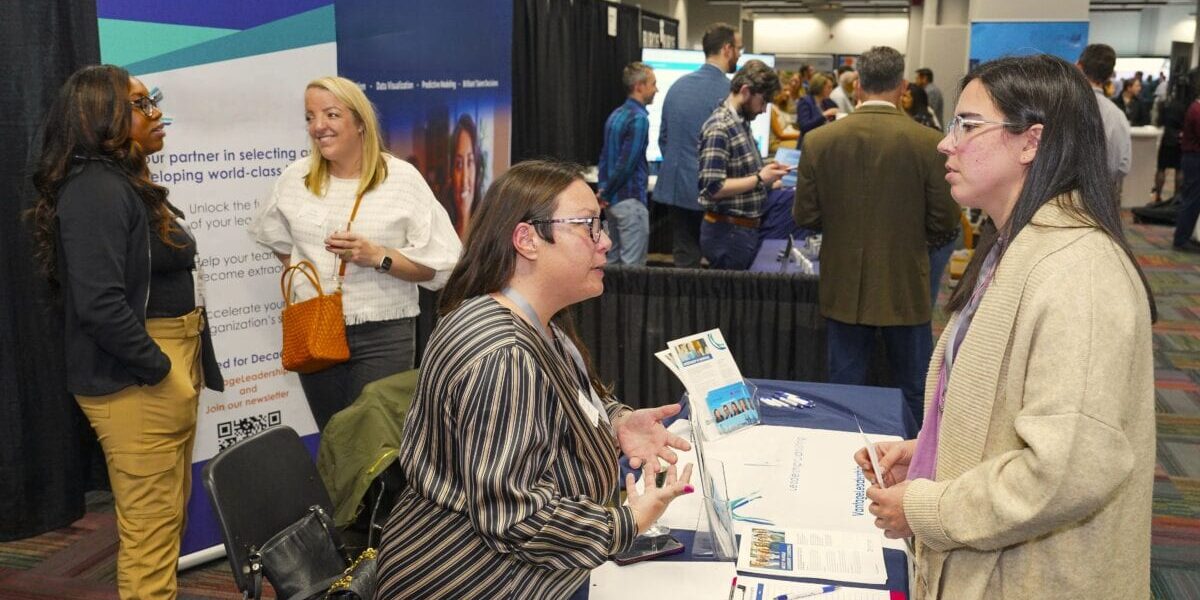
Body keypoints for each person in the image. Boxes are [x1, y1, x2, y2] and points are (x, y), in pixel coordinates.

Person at [855, 54, 1156, 599]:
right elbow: (1014, 410)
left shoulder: (1078, 272)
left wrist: (927, 508)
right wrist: (929, 449)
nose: (946, 143)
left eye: (968, 125)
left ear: (1030, 142)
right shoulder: (1018, 245)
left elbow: (1067, 471)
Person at [375, 160, 695, 599]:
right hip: (468, 579)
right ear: (526, 239)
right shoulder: (504, 356)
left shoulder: (523, 320)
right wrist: (627, 522)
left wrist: (616, 422)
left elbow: (564, 403)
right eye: (587, 227)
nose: (605, 243)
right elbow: (515, 518)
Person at [28, 64, 224, 599]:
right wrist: (162, 370)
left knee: (163, 525)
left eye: (151, 99)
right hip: (138, 376)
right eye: (141, 104)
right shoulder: (95, 191)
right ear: (103, 117)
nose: (156, 112)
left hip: (162, 364)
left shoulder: (123, 184)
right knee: (150, 536)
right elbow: (99, 305)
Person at [250, 76, 461, 430]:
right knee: (334, 438)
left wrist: (378, 256)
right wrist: (307, 276)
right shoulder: (295, 178)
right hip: (316, 328)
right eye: (310, 117)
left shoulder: (401, 179)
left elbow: (440, 267)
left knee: (372, 445)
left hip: (383, 334)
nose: (318, 127)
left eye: (331, 115)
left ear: (360, 122)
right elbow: (272, 235)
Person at [793, 46, 959, 426]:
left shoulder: (820, 141)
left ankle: (843, 459)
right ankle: (916, 466)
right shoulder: (928, 143)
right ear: (903, 87)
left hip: (844, 287)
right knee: (914, 387)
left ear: (857, 87)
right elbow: (945, 221)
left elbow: (805, 215)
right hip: (905, 285)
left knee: (844, 387)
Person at [655, 23, 741, 268]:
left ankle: (683, 307)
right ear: (727, 49)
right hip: (714, 192)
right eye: (739, 48)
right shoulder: (729, 93)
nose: (740, 54)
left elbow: (664, 138)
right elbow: (735, 148)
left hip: (676, 190)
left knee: (684, 256)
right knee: (717, 261)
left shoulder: (677, 86)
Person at [698, 60, 791, 270]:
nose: (764, 109)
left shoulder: (741, 124)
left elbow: (742, 174)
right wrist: (760, 178)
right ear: (746, 91)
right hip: (728, 234)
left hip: (739, 232)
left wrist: (769, 176)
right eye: (763, 101)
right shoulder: (719, 127)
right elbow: (712, 187)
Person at [598, 62, 656, 266]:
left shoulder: (615, 114)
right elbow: (627, 164)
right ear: (639, 86)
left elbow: (605, 158)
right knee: (633, 270)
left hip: (612, 203)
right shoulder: (639, 119)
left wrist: (604, 191)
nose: (656, 89)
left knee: (611, 263)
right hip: (630, 201)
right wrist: (606, 192)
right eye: (652, 84)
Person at [1077, 44, 1132, 188]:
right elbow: (1123, 166)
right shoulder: (1118, 115)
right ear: (1109, 76)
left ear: (1078, 67)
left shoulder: (1060, 106)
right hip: (1103, 197)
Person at [1154, 74, 1191, 204]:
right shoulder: (1187, 105)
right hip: (1180, 140)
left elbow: (1158, 122)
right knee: (1179, 170)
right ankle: (1176, 196)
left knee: (1161, 168)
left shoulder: (1165, 104)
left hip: (1167, 138)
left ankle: (1158, 195)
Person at [444, 113, 483, 237]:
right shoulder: (442, 232)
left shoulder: (488, 232)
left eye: (470, 162)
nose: (465, 179)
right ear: (451, 173)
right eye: (459, 165)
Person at [1174, 72, 1200, 252]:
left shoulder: (1194, 108)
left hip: (1192, 158)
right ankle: (1182, 238)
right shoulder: (1197, 110)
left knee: (1192, 199)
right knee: (1191, 200)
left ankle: (1183, 236)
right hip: (1194, 159)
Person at [769, 87, 800, 154]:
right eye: (785, 90)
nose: (788, 93)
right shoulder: (771, 108)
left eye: (789, 90)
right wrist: (801, 135)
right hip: (775, 142)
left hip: (784, 140)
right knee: (803, 146)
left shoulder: (782, 108)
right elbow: (780, 135)